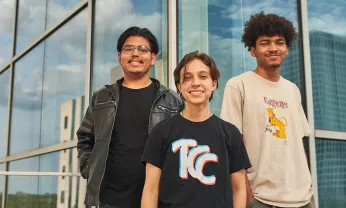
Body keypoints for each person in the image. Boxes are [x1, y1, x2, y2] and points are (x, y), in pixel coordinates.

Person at [76, 26, 183, 208]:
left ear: (153, 58)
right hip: (108, 200)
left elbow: (183, 145)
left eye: (143, 49)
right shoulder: (101, 98)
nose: (135, 54)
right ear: (119, 57)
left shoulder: (172, 101)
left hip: (157, 199)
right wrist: (89, 167)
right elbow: (85, 137)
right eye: (128, 49)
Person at [220, 12, 314, 208]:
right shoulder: (238, 85)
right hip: (261, 200)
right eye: (265, 43)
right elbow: (231, 147)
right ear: (252, 50)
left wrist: (308, 186)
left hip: (303, 199)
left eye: (279, 42)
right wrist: (247, 198)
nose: (273, 48)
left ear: (287, 49)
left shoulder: (293, 90)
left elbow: (298, 142)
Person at [141, 51, 251, 208]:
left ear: (214, 84)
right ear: (179, 86)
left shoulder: (230, 133)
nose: (195, 83)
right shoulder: (161, 132)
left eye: (203, 76)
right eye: (187, 78)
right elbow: (150, 190)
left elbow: (239, 190)